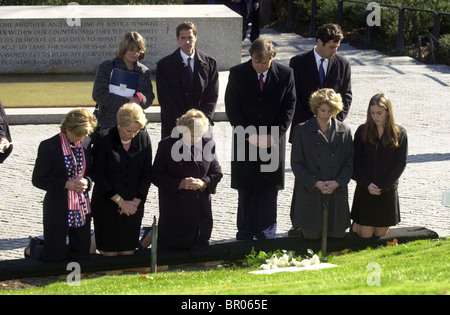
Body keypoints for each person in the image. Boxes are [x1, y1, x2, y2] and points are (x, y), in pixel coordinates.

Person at [225, 38, 296, 240]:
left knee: (268, 189)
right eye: (257, 62)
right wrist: (249, 134)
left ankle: (267, 232)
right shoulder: (237, 73)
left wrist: (273, 136)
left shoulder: (285, 74)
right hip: (244, 141)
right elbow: (232, 107)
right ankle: (245, 232)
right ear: (251, 56)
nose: (260, 67)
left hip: (272, 142)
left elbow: (289, 107)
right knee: (246, 187)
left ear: (272, 58)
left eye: (264, 63)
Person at [26, 108, 97, 261]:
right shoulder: (49, 146)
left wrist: (87, 181)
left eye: (84, 135)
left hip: (81, 206)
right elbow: (38, 179)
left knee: (81, 253)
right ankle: (32, 249)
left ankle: (73, 277)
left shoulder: (85, 142)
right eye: (78, 135)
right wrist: (66, 184)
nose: (80, 139)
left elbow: (91, 172)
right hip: (57, 206)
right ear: (67, 129)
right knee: (54, 256)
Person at [151, 109, 222, 251]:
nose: (195, 139)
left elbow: (217, 173)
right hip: (175, 210)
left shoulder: (208, 144)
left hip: (200, 211)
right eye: (192, 135)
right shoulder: (167, 145)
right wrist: (179, 184)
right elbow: (156, 176)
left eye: (199, 135)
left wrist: (204, 183)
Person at [290, 88, 353, 240]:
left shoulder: (344, 131)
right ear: (316, 108)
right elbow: (297, 164)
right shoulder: (301, 131)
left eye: (330, 111)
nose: (326, 115)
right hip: (311, 193)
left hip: (336, 193)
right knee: (311, 236)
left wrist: (338, 182)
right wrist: (315, 183)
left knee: (337, 236)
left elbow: (349, 162)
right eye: (323, 110)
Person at [91, 103, 152, 256]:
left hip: (133, 207)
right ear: (119, 124)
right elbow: (99, 176)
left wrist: (135, 203)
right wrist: (120, 202)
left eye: (136, 130)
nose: (132, 135)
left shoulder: (144, 138)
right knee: (109, 254)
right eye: (128, 130)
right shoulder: (103, 139)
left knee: (128, 252)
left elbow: (146, 174)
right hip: (107, 204)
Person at [351, 93, 408, 238]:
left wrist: (384, 185)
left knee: (380, 234)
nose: (375, 117)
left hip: (386, 190)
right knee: (366, 234)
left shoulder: (400, 133)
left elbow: (400, 163)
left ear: (388, 112)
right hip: (366, 188)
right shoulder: (362, 131)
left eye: (379, 113)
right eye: (372, 113)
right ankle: (356, 226)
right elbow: (355, 161)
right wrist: (366, 183)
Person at [289, 23, 352, 142]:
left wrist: (333, 121)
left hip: (332, 133)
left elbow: (346, 96)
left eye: (337, 47)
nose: (335, 50)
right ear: (319, 42)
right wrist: (312, 123)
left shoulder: (343, 64)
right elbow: (293, 97)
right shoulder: (298, 62)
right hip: (303, 130)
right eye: (332, 47)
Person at [156, 21, 219, 139]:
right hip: (174, 127)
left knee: (201, 158)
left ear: (196, 37)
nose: (187, 42)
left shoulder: (210, 63)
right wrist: (184, 124)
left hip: (202, 128)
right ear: (177, 39)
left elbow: (212, 95)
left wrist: (202, 121)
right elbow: (165, 99)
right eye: (183, 38)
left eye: (190, 37)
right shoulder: (164, 65)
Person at [92, 31, 155, 131]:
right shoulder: (106, 67)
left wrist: (140, 99)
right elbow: (98, 94)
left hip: (136, 124)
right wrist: (127, 102)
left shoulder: (144, 71)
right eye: (131, 50)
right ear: (124, 49)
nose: (135, 54)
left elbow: (150, 96)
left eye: (138, 50)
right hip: (109, 123)